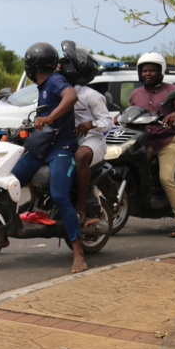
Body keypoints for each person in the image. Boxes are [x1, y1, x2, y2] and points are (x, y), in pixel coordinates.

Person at [10, 42, 87, 273]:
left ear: (32, 67)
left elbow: (71, 96)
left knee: (59, 194)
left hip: (61, 148)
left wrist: (51, 117)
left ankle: (78, 252)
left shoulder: (54, 80)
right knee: (11, 182)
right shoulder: (42, 86)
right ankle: (4, 231)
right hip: (43, 146)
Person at [116, 52, 175, 238]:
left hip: (168, 141)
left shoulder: (172, 90)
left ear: (161, 72)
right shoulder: (136, 94)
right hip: (145, 141)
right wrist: (121, 116)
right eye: (144, 70)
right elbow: (132, 112)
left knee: (166, 178)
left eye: (152, 70)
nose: (148, 74)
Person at [57, 41, 113, 226]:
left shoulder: (91, 95)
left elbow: (107, 122)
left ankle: (80, 207)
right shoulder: (58, 91)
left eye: (66, 62)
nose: (62, 64)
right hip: (68, 139)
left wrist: (91, 124)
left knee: (81, 157)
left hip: (92, 140)